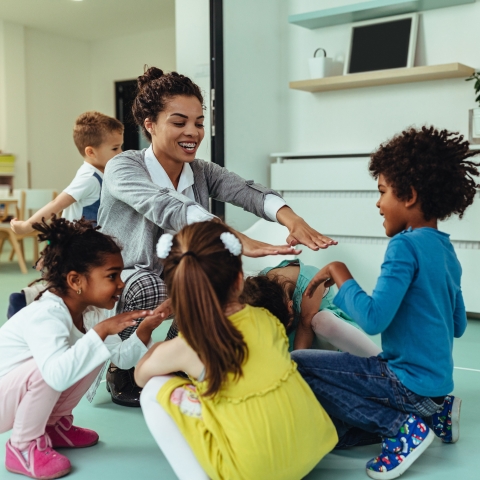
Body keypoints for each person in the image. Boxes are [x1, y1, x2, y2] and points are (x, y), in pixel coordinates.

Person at [98, 67, 337, 406]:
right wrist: (230, 235)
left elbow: (246, 191)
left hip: (174, 274)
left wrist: (291, 219)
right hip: (127, 276)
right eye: (179, 123)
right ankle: (121, 369)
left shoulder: (201, 171)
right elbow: (166, 206)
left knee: (220, 283)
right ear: (149, 124)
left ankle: (179, 359)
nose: (193, 132)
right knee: (156, 286)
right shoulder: (123, 166)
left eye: (198, 122)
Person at [291, 126, 479, 479]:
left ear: (408, 195)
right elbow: (457, 325)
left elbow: (373, 319)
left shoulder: (404, 246)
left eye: (382, 192)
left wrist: (339, 271)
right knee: (339, 436)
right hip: (436, 388)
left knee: (298, 363)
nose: (378, 203)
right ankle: (434, 415)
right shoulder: (446, 249)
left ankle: (399, 428)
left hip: (403, 383)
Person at [135, 221, 338, 480]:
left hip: (254, 471)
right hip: (310, 448)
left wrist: (162, 346)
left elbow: (140, 376)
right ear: (239, 279)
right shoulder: (265, 318)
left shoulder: (189, 345)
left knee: (153, 390)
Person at [0, 216, 164, 480]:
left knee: (93, 351)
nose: (121, 283)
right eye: (112, 275)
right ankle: (21, 446)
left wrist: (146, 328)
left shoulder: (89, 314)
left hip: (14, 397)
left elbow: (120, 358)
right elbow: (53, 376)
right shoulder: (47, 315)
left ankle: (53, 427)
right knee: (57, 365)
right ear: (76, 281)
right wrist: (100, 333)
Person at [10, 111, 124, 235]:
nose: (120, 152)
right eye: (115, 148)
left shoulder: (101, 174)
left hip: (95, 243)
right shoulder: (89, 179)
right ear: (91, 152)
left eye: (120, 147)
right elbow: (57, 204)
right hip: (80, 246)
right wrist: (26, 226)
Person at [241, 259, 381, 355]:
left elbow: (304, 329)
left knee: (321, 320)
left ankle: (383, 362)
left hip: (325, 339)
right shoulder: (261, 285)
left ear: (291, 306)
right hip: (289, 339)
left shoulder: (310, 281)